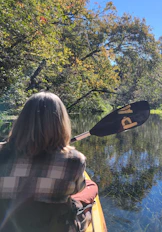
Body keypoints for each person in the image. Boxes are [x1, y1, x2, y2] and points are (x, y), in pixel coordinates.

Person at [0, 92, 98, 232]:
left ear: (21, 121)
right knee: (91, 186)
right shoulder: (75, 161)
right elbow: (78, 189)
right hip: (55, 226)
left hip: (8, 226)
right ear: (61, 123)